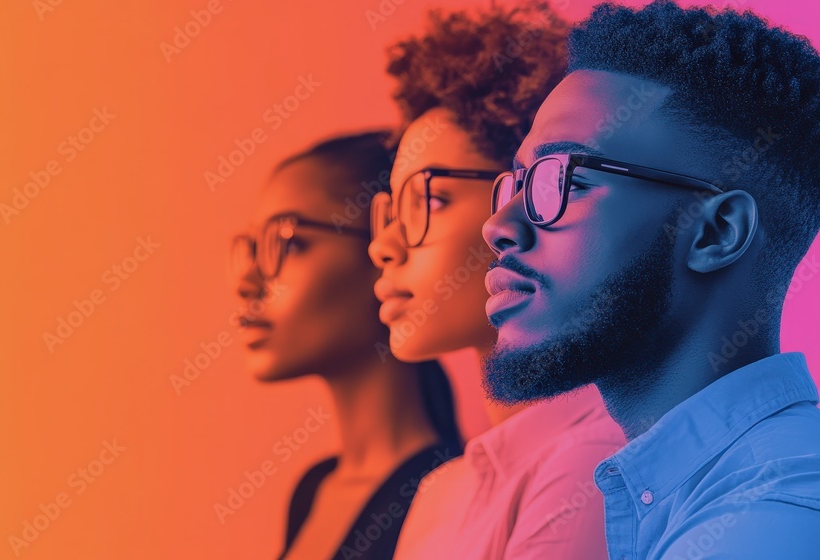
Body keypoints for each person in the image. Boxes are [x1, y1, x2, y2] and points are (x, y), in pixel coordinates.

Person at [482, 1, 820, 558]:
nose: (499, 225)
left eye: (564, 180)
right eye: (518, 182)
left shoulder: (775, 515)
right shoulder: (683, 499)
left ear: (716, 232)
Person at [367, 5, 624, 559]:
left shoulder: (593, 463)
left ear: (535, 198)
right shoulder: (441, 492)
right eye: (389, 210)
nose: (382, 245)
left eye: (429, 199)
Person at [232, 131, 462, 560]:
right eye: (251, 248)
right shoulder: (314, 489)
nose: (247, 282)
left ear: (384, 250)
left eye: (287, 242)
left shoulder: (448, 498)